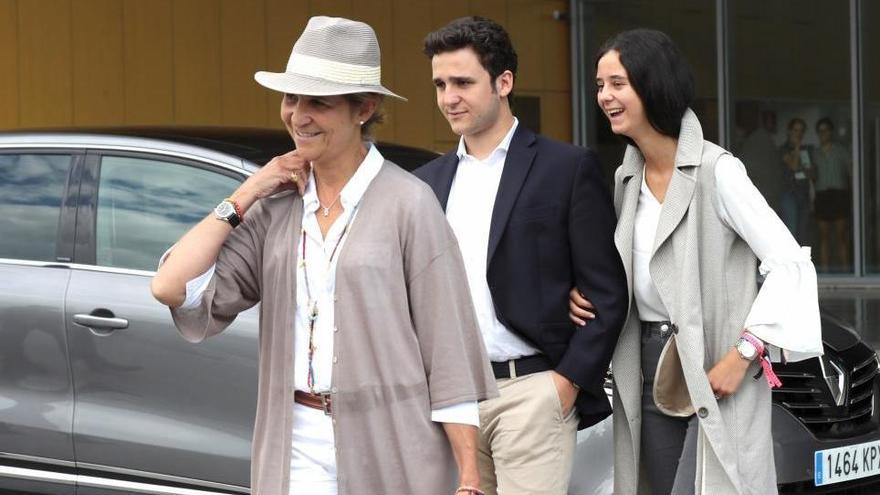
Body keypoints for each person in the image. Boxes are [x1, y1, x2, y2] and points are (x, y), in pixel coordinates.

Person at [150, 16, 497, 495]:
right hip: (294, 445)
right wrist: (248, 191)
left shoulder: (410, 203)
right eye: (291, 98)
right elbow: (170, 287)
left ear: (364, 108)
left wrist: (470, 479)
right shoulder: (275, 208)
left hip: (393, 446)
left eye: (319, 101)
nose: (298, 115)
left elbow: (449, 352)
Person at [571, 28, 823, 494]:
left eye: (618, 83)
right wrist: (581, 292)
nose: (604, 96)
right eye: (600, 85)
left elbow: (790, 264)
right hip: (644, 364)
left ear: (653, 84)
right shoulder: (627, 178)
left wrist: (744, 353)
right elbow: (632, 270)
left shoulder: (717, 171)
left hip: (710, 365)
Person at [414, 16, 628, 495]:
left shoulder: (566, 168)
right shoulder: (427, 184)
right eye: (441, 84)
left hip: (532, 391)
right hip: (452, 402)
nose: (449, 97)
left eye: (463, 82)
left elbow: (607, 292)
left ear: (503, 82)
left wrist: (566, 384)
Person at [812, 117, 851, 272]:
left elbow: (851, 173)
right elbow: (812, 176)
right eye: (820, 131)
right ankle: (826, 272)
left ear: (831, 132)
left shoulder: (841, 151)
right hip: (822, 195)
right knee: (824, 236)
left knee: (841, 236)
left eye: (826, 130)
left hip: (839, 194)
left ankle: (848, 272)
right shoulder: (814, 153)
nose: (823, 134)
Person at [780, 117, 814, 244]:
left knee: (803, 234)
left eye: (801, 131)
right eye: (796, 130)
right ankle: (789, 262)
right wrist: (797, 148)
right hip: (790, 194)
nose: (798, 134)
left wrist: (807, 169)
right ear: (789, 131)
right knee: (791, 231)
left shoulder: (806, 150)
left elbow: (811, 173)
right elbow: (794, 166)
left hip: (803, 194)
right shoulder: (783, 149)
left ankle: (800, 262)